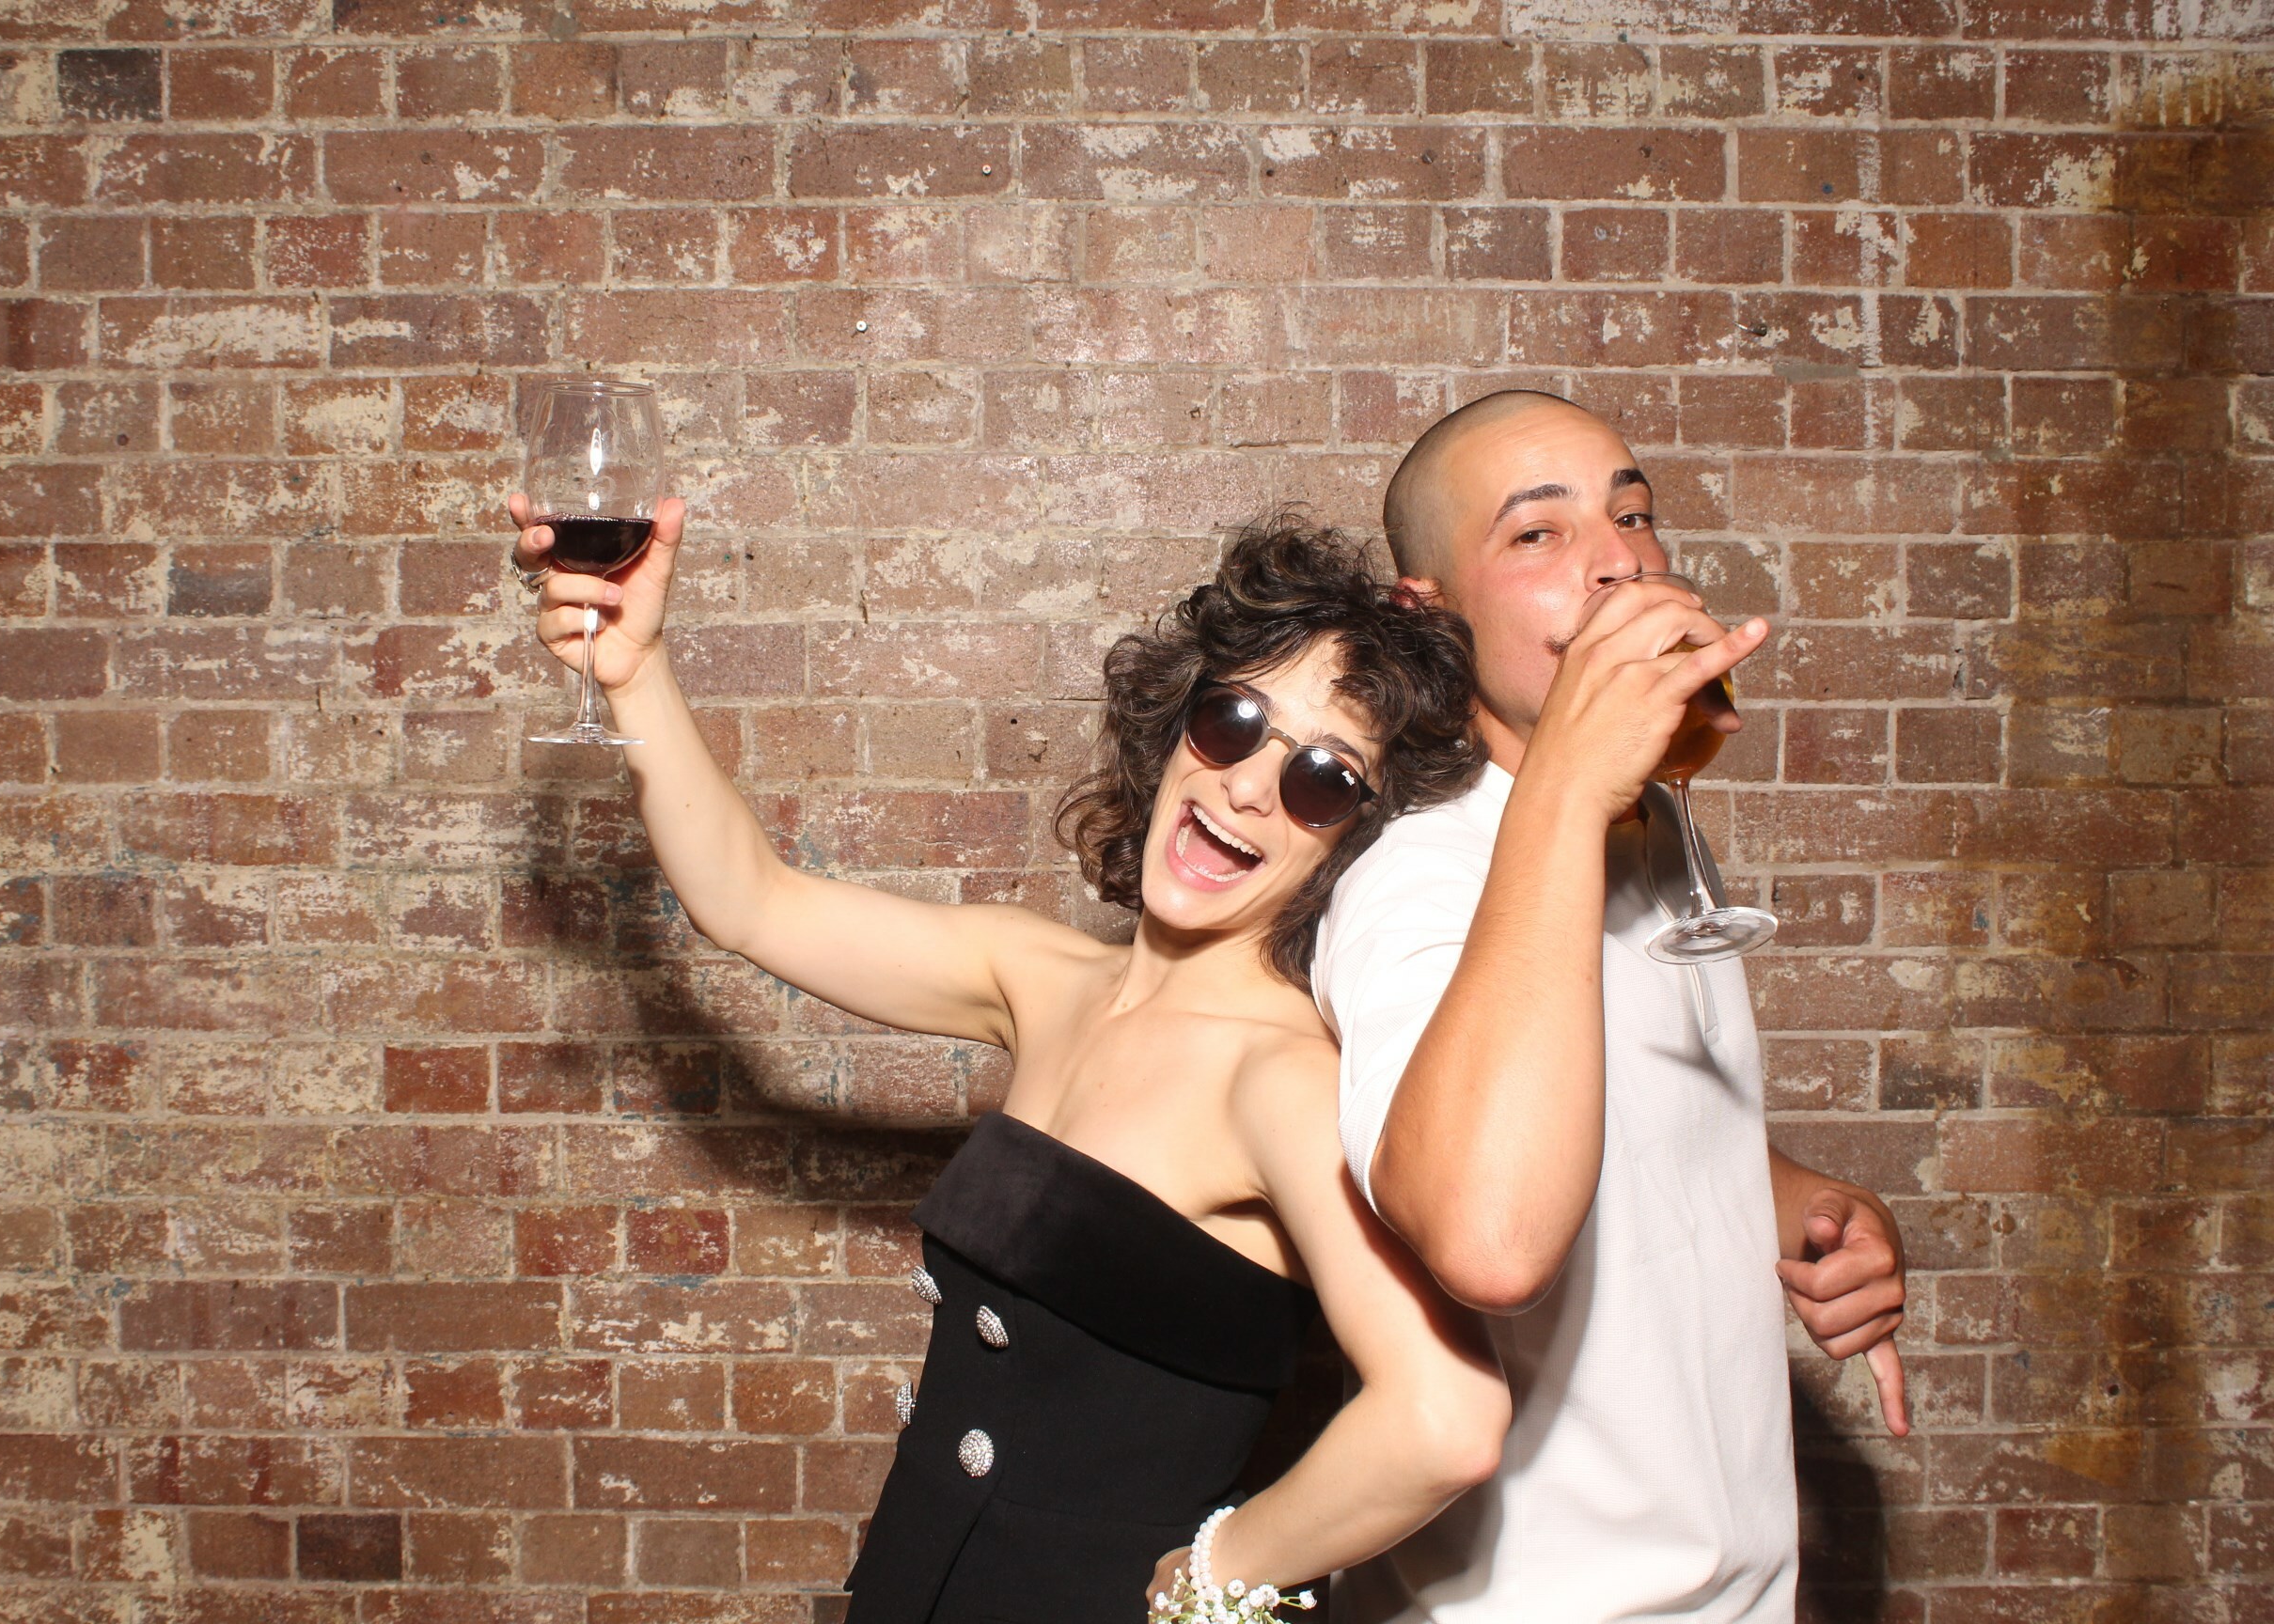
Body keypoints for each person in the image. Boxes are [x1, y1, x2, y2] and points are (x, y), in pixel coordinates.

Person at [510, 492, 1744, 1621]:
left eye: (1322, 780)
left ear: (1350, 841)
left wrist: (1213, 1577)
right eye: (1235, 721)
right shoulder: (1040, 978)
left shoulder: (1281, 1082)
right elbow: (751, 901)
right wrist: (638, 671)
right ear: (1177, 727)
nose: (1251, 788)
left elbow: (1447, 1416)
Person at [1313, 389, 1912, 1622]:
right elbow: (1488, 1240)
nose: (1619, 561)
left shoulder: (1648, 834)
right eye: (1538, 533)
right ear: (1430, 616)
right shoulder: (1420, 881)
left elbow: (1621, 1121)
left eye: (1631, 515)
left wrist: (1799, 1205)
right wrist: (1574, 784)